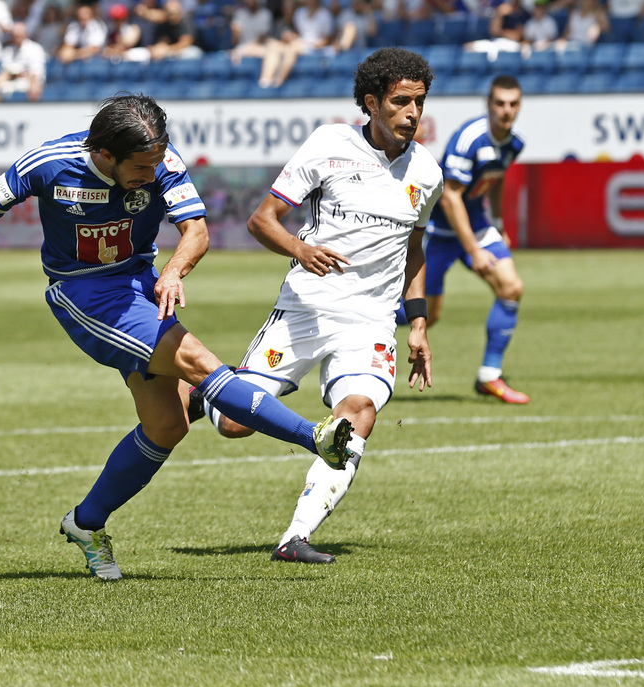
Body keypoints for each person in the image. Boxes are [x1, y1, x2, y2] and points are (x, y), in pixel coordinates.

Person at [0, 93, 354, 581]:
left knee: (167, 424)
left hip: (141, 283)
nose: (150, 173)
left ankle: (85, 522)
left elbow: (196, 231)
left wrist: (176, 269)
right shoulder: (51, 164)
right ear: (104, 154)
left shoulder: (162, 163)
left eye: (156, 162)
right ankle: (314, 437)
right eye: (140, 167)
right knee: (197, 360)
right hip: (85, 293)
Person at [190, 48, 442, 564]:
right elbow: (262, 220)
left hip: (370, 321)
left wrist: (417, 322)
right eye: (400, 101)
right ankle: (203, 391)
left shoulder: (428, 174)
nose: (412, 113)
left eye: (419, 101)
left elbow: (414, 249)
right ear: (371, 103)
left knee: (358, 414)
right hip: (306, 307)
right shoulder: (330, 145)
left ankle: (295, 537)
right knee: (235, 423)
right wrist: (301, 250)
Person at [419, 74, 529, 404]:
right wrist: (474, 251)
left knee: (511, 287)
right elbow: (450, 197)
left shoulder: (514, 143)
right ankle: (364, 326)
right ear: (488, 105)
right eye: (499, 104)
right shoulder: (469, 139)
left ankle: (489, 376)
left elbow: (495, 179)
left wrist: (496, 223)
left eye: (512, 104)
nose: (506, 111)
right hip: (438, 231)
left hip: (476, 224)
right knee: (428, 315)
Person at [0, 20, 46, 101]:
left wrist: (19, 74)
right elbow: (5, 72)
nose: (17, 39)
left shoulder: (35, 49)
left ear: (25, 35)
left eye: (19, 36)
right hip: (11, 81)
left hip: (29, 82)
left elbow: (36, 74)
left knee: (33, 89)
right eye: (15, 36)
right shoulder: (8, 51)